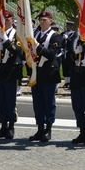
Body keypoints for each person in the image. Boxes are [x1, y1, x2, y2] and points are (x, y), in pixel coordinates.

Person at [29, 12, 63, 143]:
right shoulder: (35, 35)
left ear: (50, 21)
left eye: (45, 20)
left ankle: (48, 129)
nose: (42, 22)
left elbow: (51, 54)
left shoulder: (55, 37)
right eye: (41, 20)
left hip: (49, 74)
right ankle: (40, 128)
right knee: (38, 103)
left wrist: (38, 46)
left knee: (48, 103)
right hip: (37, 74)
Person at [0, 11, 24, 139]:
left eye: (7, 18)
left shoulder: (17, 34)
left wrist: (5, 42)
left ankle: (11, 126)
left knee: (10, 101)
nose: (5, 21)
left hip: (11, 72)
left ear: (12, 20)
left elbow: (18, 51)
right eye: (3, 19)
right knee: (0, 101)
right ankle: (3, 125)